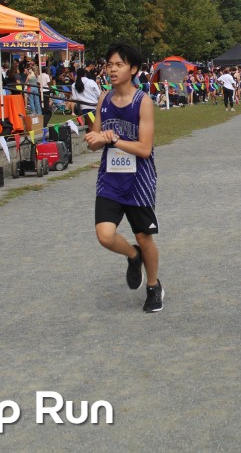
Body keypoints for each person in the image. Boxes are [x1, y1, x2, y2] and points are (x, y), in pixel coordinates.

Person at [83, 43, 163, 313]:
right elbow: (95, 142)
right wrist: (95, 139)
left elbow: (145, 149)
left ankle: (153, 286)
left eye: (119, 64)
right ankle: (132, 255)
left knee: (144, 236)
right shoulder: (104, 99)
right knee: (105, 236)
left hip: (139, 182)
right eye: (109, 64)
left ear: (133, 69)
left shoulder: (143, 101)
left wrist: (114, 139)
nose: (112, 69)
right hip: (110, 180)